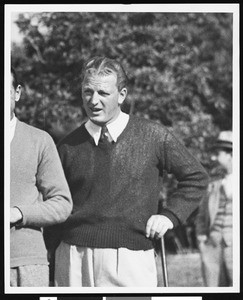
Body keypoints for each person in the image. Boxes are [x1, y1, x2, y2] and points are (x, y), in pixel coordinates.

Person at [53, 56, 209, 287]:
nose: (93, 101)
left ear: (122, 95)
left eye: (103, 93)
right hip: (73, 258)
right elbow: (54, 203)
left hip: (130, 259)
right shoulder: (67, 146)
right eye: (87, 92)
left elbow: (196, 177)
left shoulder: (153, 136)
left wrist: (170, 216)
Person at [10, 67, 73, 287]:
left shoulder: (39, 140)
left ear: (17, 92)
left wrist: (19, 213)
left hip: (26, 265)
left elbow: (62, 204)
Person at [196, 131, 233, 286]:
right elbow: (202, 215)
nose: (214, 158)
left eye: (218, 153)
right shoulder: (214, 183)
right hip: (213, 247)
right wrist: (201, 240)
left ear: (230, 155)